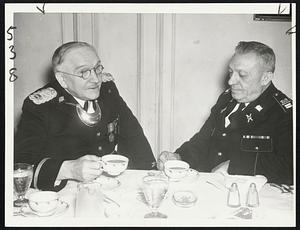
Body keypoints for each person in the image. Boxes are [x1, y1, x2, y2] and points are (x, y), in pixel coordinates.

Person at [15, 41, 156, 191]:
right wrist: (69, 169)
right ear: (62, 79)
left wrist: (151, 174)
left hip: (109, 183)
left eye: (97, 68)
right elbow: (21, 167)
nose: (96, 79)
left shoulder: (107, 89)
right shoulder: (40, 106)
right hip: (65, 190)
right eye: (84, 72)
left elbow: (133, 134)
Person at [157, 41, 293, 185]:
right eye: (231, 72)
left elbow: (290, 168)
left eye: (242, 75)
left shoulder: (284, 114)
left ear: (265, 78)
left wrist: (234, 166)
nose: (231, 81)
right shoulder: (227, 98)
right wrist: (179, 158)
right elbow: (203, 141)